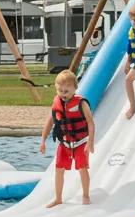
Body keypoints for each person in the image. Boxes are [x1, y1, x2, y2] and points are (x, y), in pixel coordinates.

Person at [39, 69, 95, 206]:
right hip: (64, 144)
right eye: (60, 91)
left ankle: (86, 195)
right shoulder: (56, 102)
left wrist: (91, 143)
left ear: (75, 88)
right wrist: (43, 140)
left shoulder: (81, 103)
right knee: (58, 170)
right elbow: (50, 121)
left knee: (82, 169)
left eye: (66, 91)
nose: (63, 94)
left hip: (80, 143)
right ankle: (58, 198)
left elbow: (90, 123)